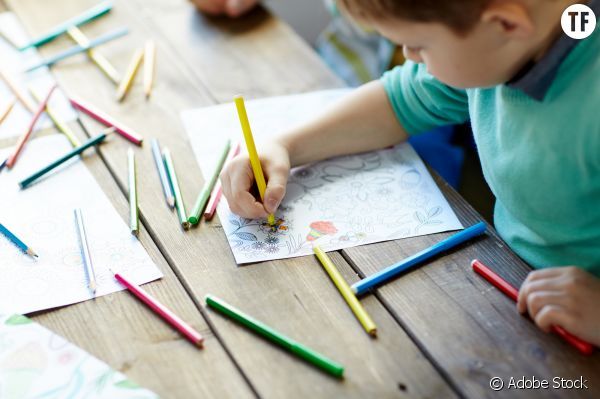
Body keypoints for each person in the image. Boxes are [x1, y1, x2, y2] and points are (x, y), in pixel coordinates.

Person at [219, 0, 600, 346]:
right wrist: (286, 146)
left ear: (505, 24)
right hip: (513, 284)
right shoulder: (500, 47)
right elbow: (401, 101)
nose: (408, 56)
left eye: (419, 46)